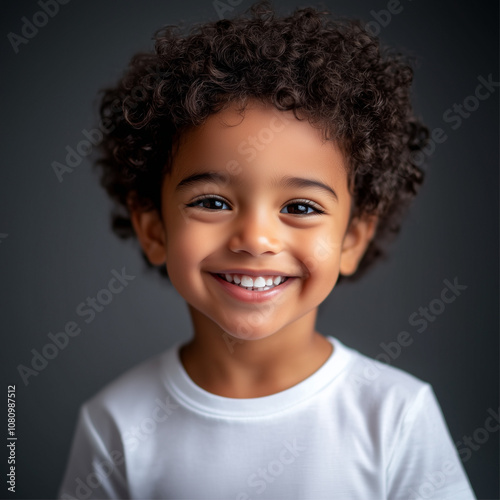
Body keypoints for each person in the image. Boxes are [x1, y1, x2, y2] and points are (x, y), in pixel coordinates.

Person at [58, 1, 476, 498]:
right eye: (212, 201)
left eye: (300, 207)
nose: (255, 239)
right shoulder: (116, 425)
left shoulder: (396, 416)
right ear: (153, 228)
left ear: (352, 239)